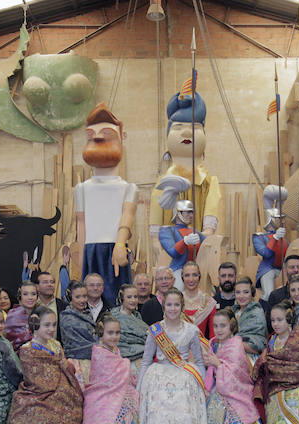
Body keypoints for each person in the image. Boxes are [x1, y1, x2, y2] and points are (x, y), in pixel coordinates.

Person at [135, 288, 209, 424]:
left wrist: (201, 386)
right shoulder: (154, 331)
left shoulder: (192, 331)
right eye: (169, 305)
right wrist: (140, 390)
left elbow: (201, 364)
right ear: (163, 307)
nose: (173, 309)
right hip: (157, 384)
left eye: (177, 305)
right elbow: (147, 361)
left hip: (185, 383)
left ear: (182, 306)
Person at [74, 102, 137, 305]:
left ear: (122, 138)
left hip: (116, 250)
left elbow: (127, 215)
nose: (98, 137)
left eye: (107, 133)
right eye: (91, 134)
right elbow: (81, 224)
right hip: (91, 252)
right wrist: (81, 259)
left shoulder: (129, 187)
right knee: (90, 302)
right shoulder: (81, 189)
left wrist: (120, 244)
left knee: (118, 302)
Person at [151, 89, 221, 236]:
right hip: (169, 243)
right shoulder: (163, 183)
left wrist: (206, 234)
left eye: (195, 128)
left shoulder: (209, 183)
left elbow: (211, 213)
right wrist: (156, 239)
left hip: (198, 244)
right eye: (178, 127)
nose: (187, 132)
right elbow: (156, 216)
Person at [252, 186, 289, 301]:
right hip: (268, 269)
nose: (281, 221)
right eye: (278, 218)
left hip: (282, 269)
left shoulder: (284, 239)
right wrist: (275, 238)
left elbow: (290, 253)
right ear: (271, 219)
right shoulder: (259, 237)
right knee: (269, 294)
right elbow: (266, 253)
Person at [159, 200, 204, 290]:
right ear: (178, 212)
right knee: (178, 290)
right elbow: (173, 252)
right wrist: (185, 241)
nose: (191, 215)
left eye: (192, 212)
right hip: (179, 269)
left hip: (196, 270)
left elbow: (207, 243)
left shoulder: (194, 231)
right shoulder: (167, 231)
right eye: (188, 212)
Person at [60, 281, 97, 387]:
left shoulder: (87, 314)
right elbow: (75, 345)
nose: (82, 300)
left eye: (84, 296)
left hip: (93, 360)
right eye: (78, 297)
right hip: (77, 364)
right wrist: (99, 346)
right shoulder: (67, 318)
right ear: (70, 297)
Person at [110, 284, 148, 376]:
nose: (133, 300)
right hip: (123, 361)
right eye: (129, 297)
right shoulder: (114, 317)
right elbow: (119, 343)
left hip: (142, 357)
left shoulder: (137, 316)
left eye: (135, 297)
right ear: (122, 298)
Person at [232, 276, 267, 360]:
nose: (241, 296)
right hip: (232, 352)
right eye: (238, 292)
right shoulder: (233, 311)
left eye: (246, 292)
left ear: (252, 294)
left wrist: (230, 341)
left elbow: (257, 346)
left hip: (249, 358)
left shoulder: (256, 312)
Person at [181, 261, 216, 339]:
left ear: (199, 276)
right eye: (187, 275)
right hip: (177, 349)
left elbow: (213, 335)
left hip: (201, 349)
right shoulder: (176, 300)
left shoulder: (209, 302)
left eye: (194, 275)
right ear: (182, 277)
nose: (191, 279)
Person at [33, 269, 67, 343]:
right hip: (35, 350)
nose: (50, 284)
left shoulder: (64, 306)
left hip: (57, 350)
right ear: (37, 287)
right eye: (45, 282)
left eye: (52, 282)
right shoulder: (31, 305)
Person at [4, 281, 39, 352]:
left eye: (33, 294)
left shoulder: (41, 312)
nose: (30, 297)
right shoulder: (13, 316)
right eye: (25, 294)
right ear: (20, 296)